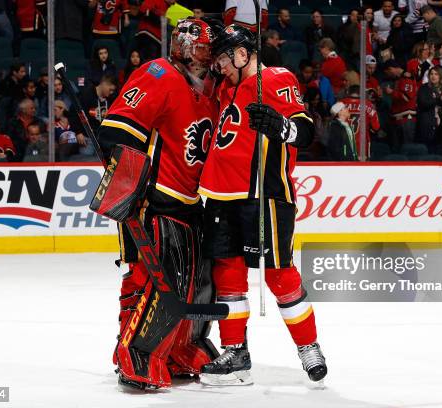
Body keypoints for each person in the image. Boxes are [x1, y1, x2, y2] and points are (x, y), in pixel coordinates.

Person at [95, 17, 223, 389]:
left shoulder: (211, 87)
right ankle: (136, 351)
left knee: (197, 283)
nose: (207, 56)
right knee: (153, 278)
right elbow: (119, 129)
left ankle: (183, 346)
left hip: (192, 201)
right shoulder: (158, 74)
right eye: (202, 48)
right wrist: (130, 190)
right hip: (153, 199)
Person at [197, 24, 327, 386]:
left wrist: (281, 127)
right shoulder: (224, 86)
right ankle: (236, 350)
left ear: (242, 55)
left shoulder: (276, 78)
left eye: (225, 57)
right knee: (229, 274)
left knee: (279, 274)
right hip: (220, 194)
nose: (220, 64)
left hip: (264, 192)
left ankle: (308, 346)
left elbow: (306, 130)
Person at [415, 66, 442, 156]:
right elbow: (423, 104)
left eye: (436, 74)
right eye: (431, 74)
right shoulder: (424, 88)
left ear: (440, 76)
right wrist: (439, 98)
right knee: (429, 151)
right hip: (429, 124)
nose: (433, 76)